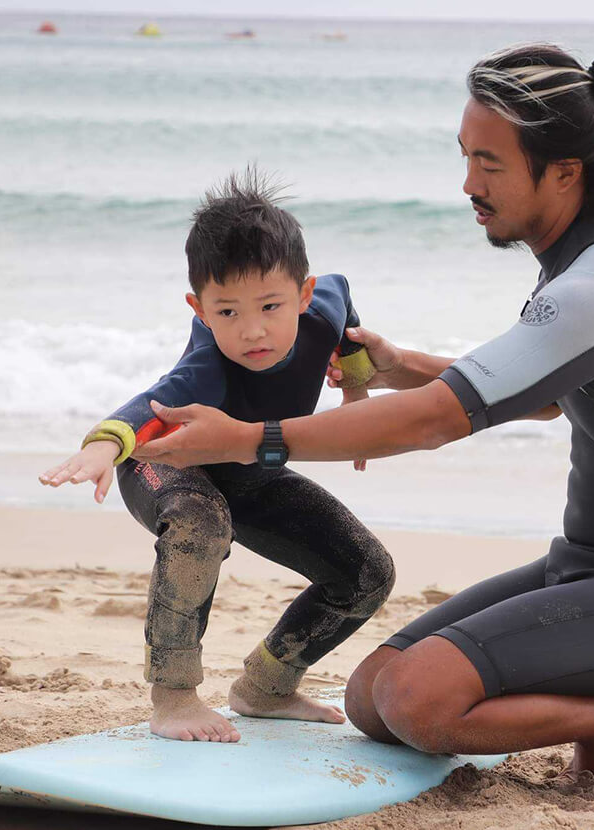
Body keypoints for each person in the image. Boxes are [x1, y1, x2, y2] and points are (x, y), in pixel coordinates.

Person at [133, 44, 594, 818]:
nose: (468, 185)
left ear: (564, 172)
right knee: (372, 696)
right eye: (465, 157)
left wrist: (247, 438)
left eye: (489, 164)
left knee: (420, 702)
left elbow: (435, 422)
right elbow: (546, 399)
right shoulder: (589, 263)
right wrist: (401, 365)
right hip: (586, 570)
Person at [38, 172, 394, 743]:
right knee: (200, 523)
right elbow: (155, 402)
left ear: (303, 294)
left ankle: (267, 687)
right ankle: (174, 696)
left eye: (271, 306)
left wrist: (355, 383)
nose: (252, 330)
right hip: (165, 462)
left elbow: (343, 295)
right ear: (199, 309)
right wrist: (104, 444)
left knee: (366, 573)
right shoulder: (211, 362)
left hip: (248, 471)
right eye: (227, 312)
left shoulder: (323, 308)